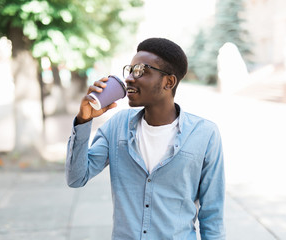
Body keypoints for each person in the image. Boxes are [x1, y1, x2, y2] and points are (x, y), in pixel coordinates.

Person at [66, 37, 225, 240]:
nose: (130, 78)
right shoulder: (117, 126)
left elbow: (212, 216)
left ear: (169, 82)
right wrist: (83, 120)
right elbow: (76, 178)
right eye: (130, 70)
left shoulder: (205, 134)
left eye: (141, 71)